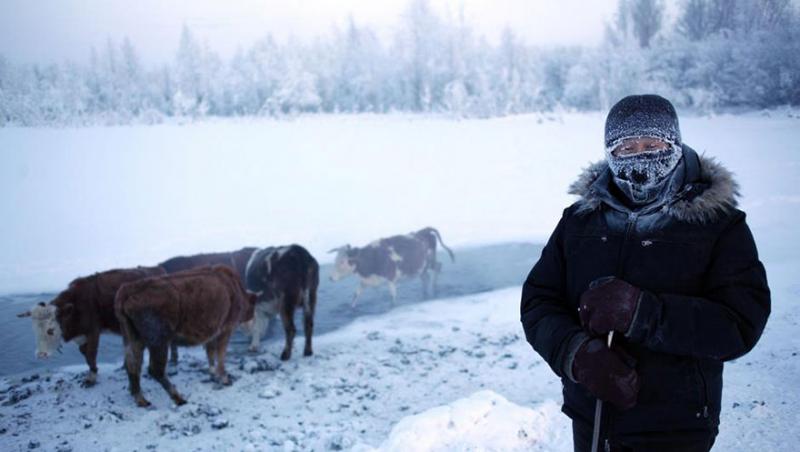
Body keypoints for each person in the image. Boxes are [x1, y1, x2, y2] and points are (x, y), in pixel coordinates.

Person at [520, 94, 770, 452]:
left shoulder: (718, 225)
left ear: (675, 144)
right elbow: (538, 302)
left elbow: (739, 325)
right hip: (591, 421)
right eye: (625, 148)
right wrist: (576, 354)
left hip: (675, 427)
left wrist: (643, 313)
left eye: (652, 144)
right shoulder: (578, 222)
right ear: (609, 153)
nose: (640, 157)